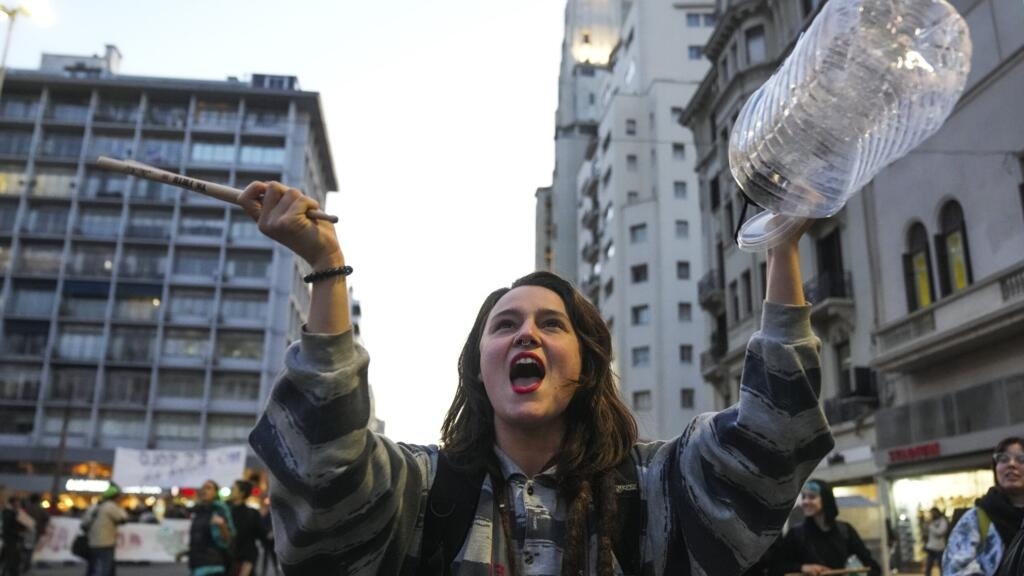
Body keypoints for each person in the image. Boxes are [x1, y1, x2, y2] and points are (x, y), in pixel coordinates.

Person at [240, 181, 834, 574]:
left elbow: (771, 438)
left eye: (552, 324)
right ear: (480, 367)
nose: (526, 334)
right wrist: (326, 269)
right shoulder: (421, 492)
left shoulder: (655, 487)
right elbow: (323, 473)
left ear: (587, 364)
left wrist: (781, 250)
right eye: (504, 326)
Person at [943, 437, 1024, 575]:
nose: (1011, 464)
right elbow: (955, 570)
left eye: (1021, 459)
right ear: (995, 468)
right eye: (1003, 459)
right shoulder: (975, 519)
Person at [772, 479, 881, 575]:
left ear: (826, 499)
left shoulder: (845, 530)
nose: (805, 502)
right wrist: (803, 567)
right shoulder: (796, 534)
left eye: (812, 497)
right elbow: (777, 567)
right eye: (804, 497)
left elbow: (872, 566)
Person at [183, 480, 235, 576]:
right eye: (203, 488)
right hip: (196, 564)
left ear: (215, 492)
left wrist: (222, 525)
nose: (204, 491)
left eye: (208, 488)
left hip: (212, 565)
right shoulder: (198, 510)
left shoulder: (220, 509)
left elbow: (228, 539)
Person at [82, 483, 127, 576]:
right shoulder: (110, 506)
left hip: (92, 542)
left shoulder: (94, 507)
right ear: (114, 496)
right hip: (106, 543)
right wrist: (120, 507)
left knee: (92, 568)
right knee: (105, 569)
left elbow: (84, 523)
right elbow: (122, 518)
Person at [227, 480, 260, 576]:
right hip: (226, 561)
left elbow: (258, 537)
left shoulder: (252, 513)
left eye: (233, 489)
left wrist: (249, 563)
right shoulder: (225, 510)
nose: (231, 491)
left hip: (243, 562)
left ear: (241, 493)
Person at [2, 496, 29, 576]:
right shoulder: (8, 512)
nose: (19, 504)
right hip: (11, 539)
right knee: (11, 559)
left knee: (14, 559)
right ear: (13, 503)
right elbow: (8, 527)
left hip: (14, 539)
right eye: (18, 502)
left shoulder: (14, 512)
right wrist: (18, 532)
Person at [923, 507, 950, 576]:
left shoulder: (943, 521)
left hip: (939, 548)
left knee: (941, 566)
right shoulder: (932, 522)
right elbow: (926, 532)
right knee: (928, 566)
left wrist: (931, 526)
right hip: (931, 547)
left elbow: (940, 532)